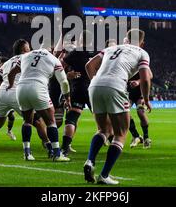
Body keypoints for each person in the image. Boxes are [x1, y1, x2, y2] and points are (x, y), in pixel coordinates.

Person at [83, 29, 152, 185]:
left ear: (126, 39)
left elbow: (89, 65)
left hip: (94, 85)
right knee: (121, 133)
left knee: (103, 130)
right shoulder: (142, 52)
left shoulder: (110, 48)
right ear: (142, 42)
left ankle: (90, 161)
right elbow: (145, 79)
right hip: (115, 85)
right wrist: (146, 99)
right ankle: (104, 175)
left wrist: (97, 82)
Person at [0, 39, 52, 157]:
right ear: (23, 49)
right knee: (37, 121)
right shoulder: (28, 58)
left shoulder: (7, 62)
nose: (30, 49)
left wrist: (0, 96)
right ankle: (49, 148)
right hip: (18, 91)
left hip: (2, 93)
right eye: (28, 47)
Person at [6, 47, 71, 162]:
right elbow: (64, 82)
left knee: (27, 121)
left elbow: (11, 73)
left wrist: (11, 85)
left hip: (21, 88)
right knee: (51, 121)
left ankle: (27, 153)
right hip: (38, 87)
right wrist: (67, 98)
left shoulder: (25, 56)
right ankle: (57, 153)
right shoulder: (53, 58)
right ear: (50, 49)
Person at [60, 30, 96, 156]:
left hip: (78, 88)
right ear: (91, 41)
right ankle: (112, 140)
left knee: (72, 118)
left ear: (80, 40)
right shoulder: (96, 53)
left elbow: (59, 67)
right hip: (93, 88)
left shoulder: (74, 53)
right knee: (101, 117)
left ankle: (64, 149)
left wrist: (67, 74)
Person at [127, 72, 151, 149]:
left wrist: (138, 81)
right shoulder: (123, 61)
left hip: (141, 93)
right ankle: (136, 136)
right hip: (128, 93)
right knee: (124, 114)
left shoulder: (140, 61)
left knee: (140, 112)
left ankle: (146, 138)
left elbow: (149, 75)